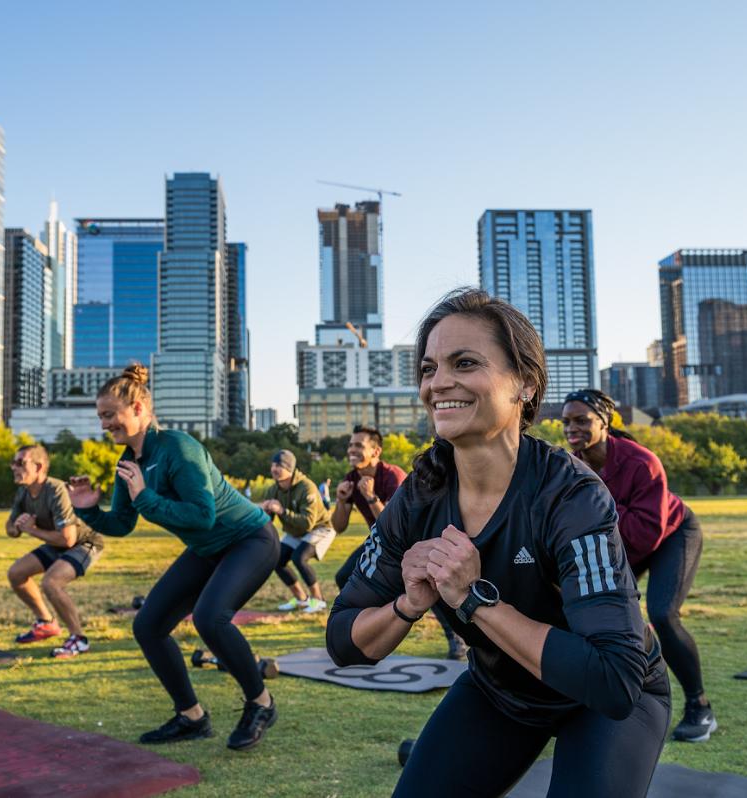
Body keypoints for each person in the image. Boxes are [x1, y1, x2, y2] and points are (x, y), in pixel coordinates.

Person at [328, 290, 670, 797]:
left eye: (465, 363)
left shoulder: (569, 495)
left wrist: (472, 598)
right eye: (428, 368)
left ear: (525, 385)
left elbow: (613, 679)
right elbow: (343, 639)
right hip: (501, 692)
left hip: (605, 701)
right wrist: (407, 604)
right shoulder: (420, 496)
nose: (438, 382)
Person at [67, 363, 280, 750]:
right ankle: (191, 716)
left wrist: (146, 496)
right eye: (100, 416)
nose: (104, 425)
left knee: (210, 619)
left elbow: (202, 515)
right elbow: (121, 523)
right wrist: (87, 509)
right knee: (148, 625)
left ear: (139, 409)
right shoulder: (129, 463)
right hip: (207, 548)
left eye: (110, 415)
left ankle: (261, 703)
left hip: (250, 539)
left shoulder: (179, 448)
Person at [562, 389, 717, 743]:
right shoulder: (572, 464)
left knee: (662, 614)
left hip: (671, 535)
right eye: (567, 422)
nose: (572, 428)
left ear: (605, 422)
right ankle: (587, 704)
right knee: (582, 613)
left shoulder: (641, 462)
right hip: (624, 545)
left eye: (582, 420)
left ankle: (700, 706)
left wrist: (596, 495)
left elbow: (645, 534)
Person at [332, 425, 468, 660]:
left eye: (358, 446)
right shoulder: (351, 479)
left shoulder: (392, 475)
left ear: (376, 452)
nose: (351, 450)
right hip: (383, 545)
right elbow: (339, 526)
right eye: (350, 445)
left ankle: (457, 640)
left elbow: (399, 523)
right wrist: (341, 501)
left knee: (429, 587)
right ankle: (373, 626)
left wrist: (371, 498)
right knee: (344, 576)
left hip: (417, 541)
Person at [5, 444, 103, 659]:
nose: (14, 467)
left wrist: (32, 529)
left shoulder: (56, 490)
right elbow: (10, 528)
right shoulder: (23, 491)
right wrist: (19, 526)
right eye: (13, 462)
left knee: (51, 582)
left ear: (39, 466)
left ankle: (79, 639)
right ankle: (47, 623)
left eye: (20, 462)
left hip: (84, 543)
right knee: (16, 573)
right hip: (56, 542)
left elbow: (69, 539)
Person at [260, 449, 337, 613]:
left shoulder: (306, 487)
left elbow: (307, 523)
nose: (274, 468)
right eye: (273, 464)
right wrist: (263, 511)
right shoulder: (273, 489)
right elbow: (266, 521)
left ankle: (319, 600)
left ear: (290, 468)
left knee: (299, 557)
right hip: (296, 531)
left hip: (320, 527)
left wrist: (282, 511)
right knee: (277, 560)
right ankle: (302, 599)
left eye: (279, 465)